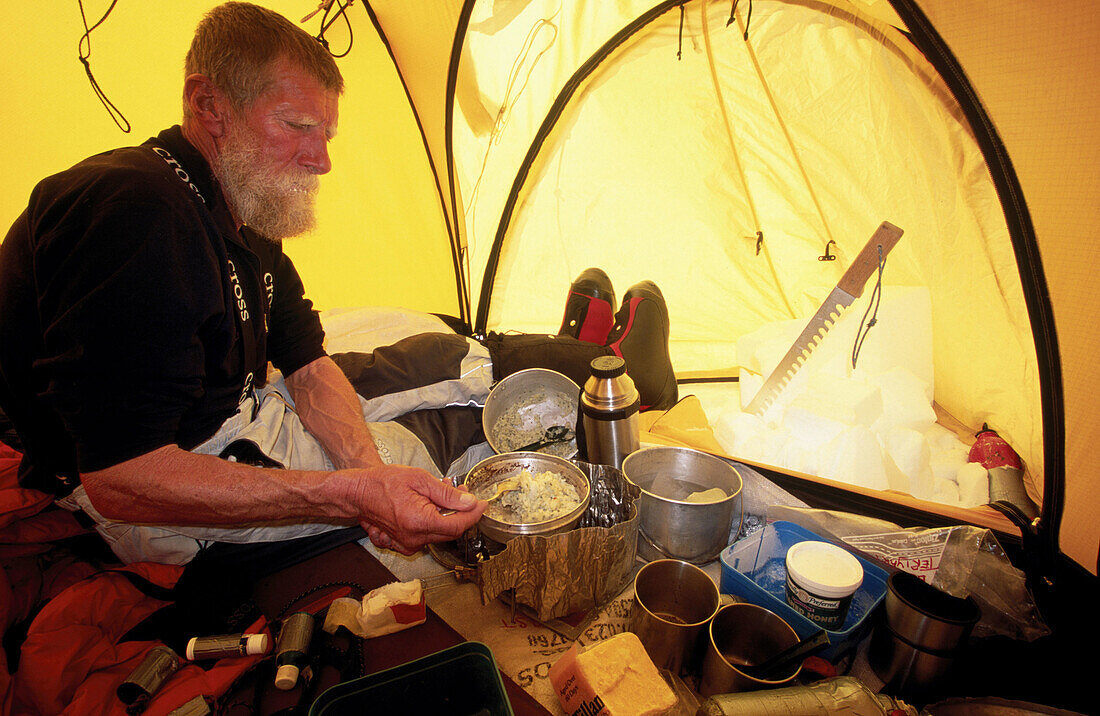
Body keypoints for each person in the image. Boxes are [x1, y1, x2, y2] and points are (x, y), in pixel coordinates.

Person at [0, 2, 675, 568]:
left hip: (238, 406)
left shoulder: (238, 201)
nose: (320, 159)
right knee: (425, 441)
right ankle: (605, 372)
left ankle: (578, 360)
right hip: (174, 472)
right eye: (298, 128)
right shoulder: (133, 213)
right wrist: (357, 492)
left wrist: (360, 471)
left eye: (325, 134)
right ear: (210, 105)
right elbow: (124, 479)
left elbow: (304, 354)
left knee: (427, 357)